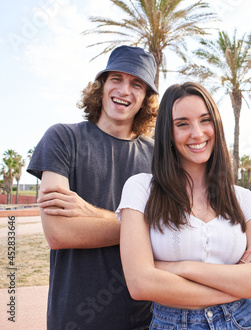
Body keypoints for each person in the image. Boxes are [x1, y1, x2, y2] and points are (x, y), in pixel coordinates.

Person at [116, 82, 251, 329]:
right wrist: (238, 283)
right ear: (167, 134)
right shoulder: (141, 189)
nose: (197, 133)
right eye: (182, 124)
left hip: (243, 321)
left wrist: (181, 267)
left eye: (205, 120)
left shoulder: (244, 199)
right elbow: (141, 283)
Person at [27, 45, 159, 329]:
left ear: (146, 98)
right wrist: (144, 227)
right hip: (75, 317)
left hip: (146, 319)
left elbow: (174, 229)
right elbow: (59, 233)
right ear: (101, 85)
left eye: (137, 84)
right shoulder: (63, 138)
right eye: (116, 79)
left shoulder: (159, 155)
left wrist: (90, 212)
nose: (124, 90)